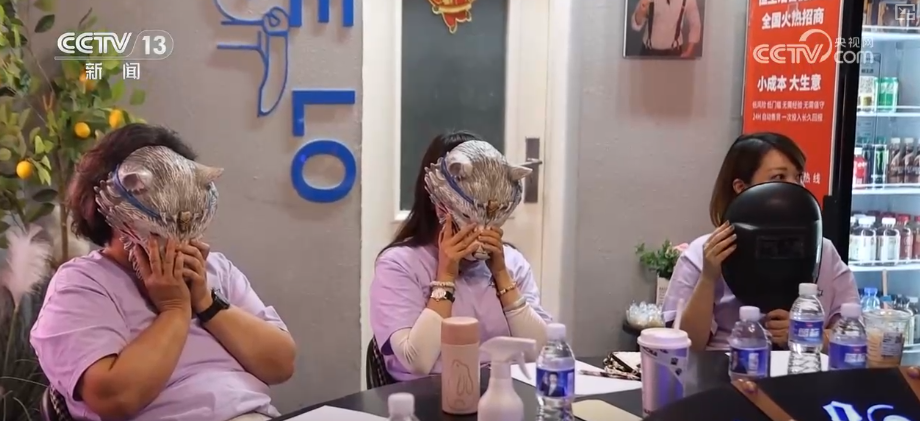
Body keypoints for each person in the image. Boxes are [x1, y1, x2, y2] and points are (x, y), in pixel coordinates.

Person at [30, 124, 296, 421]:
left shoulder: (216, 268)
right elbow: (114, 399)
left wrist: (208, 303)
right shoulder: (81, 285)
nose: (178, 242)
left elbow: (281, 365)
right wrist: (174, 310)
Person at [370, 130, 553, 381]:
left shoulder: (512, 262)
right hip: (428, 394)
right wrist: (445, 276)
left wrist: (502, 276)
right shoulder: (399, 264)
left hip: (504, 390)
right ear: (439, 205)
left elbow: (542, 352)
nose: (481, 228)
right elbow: (418, 361)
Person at [663, 132, 859, 351]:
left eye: (798, 177)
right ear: (741, 187)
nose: (795, 187)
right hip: (725, 368)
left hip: (800, 368)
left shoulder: (824, 252)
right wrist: (708, 278)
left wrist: (808, 334)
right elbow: (684, 347)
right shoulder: (702, 253)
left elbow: (855, 336)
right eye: (779, 177)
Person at [630, 0, 702, 57]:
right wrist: (642, 10)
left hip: (674, 52)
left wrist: (689, 52)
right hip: (649, 51)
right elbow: (635, 25)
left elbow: (695, 24)